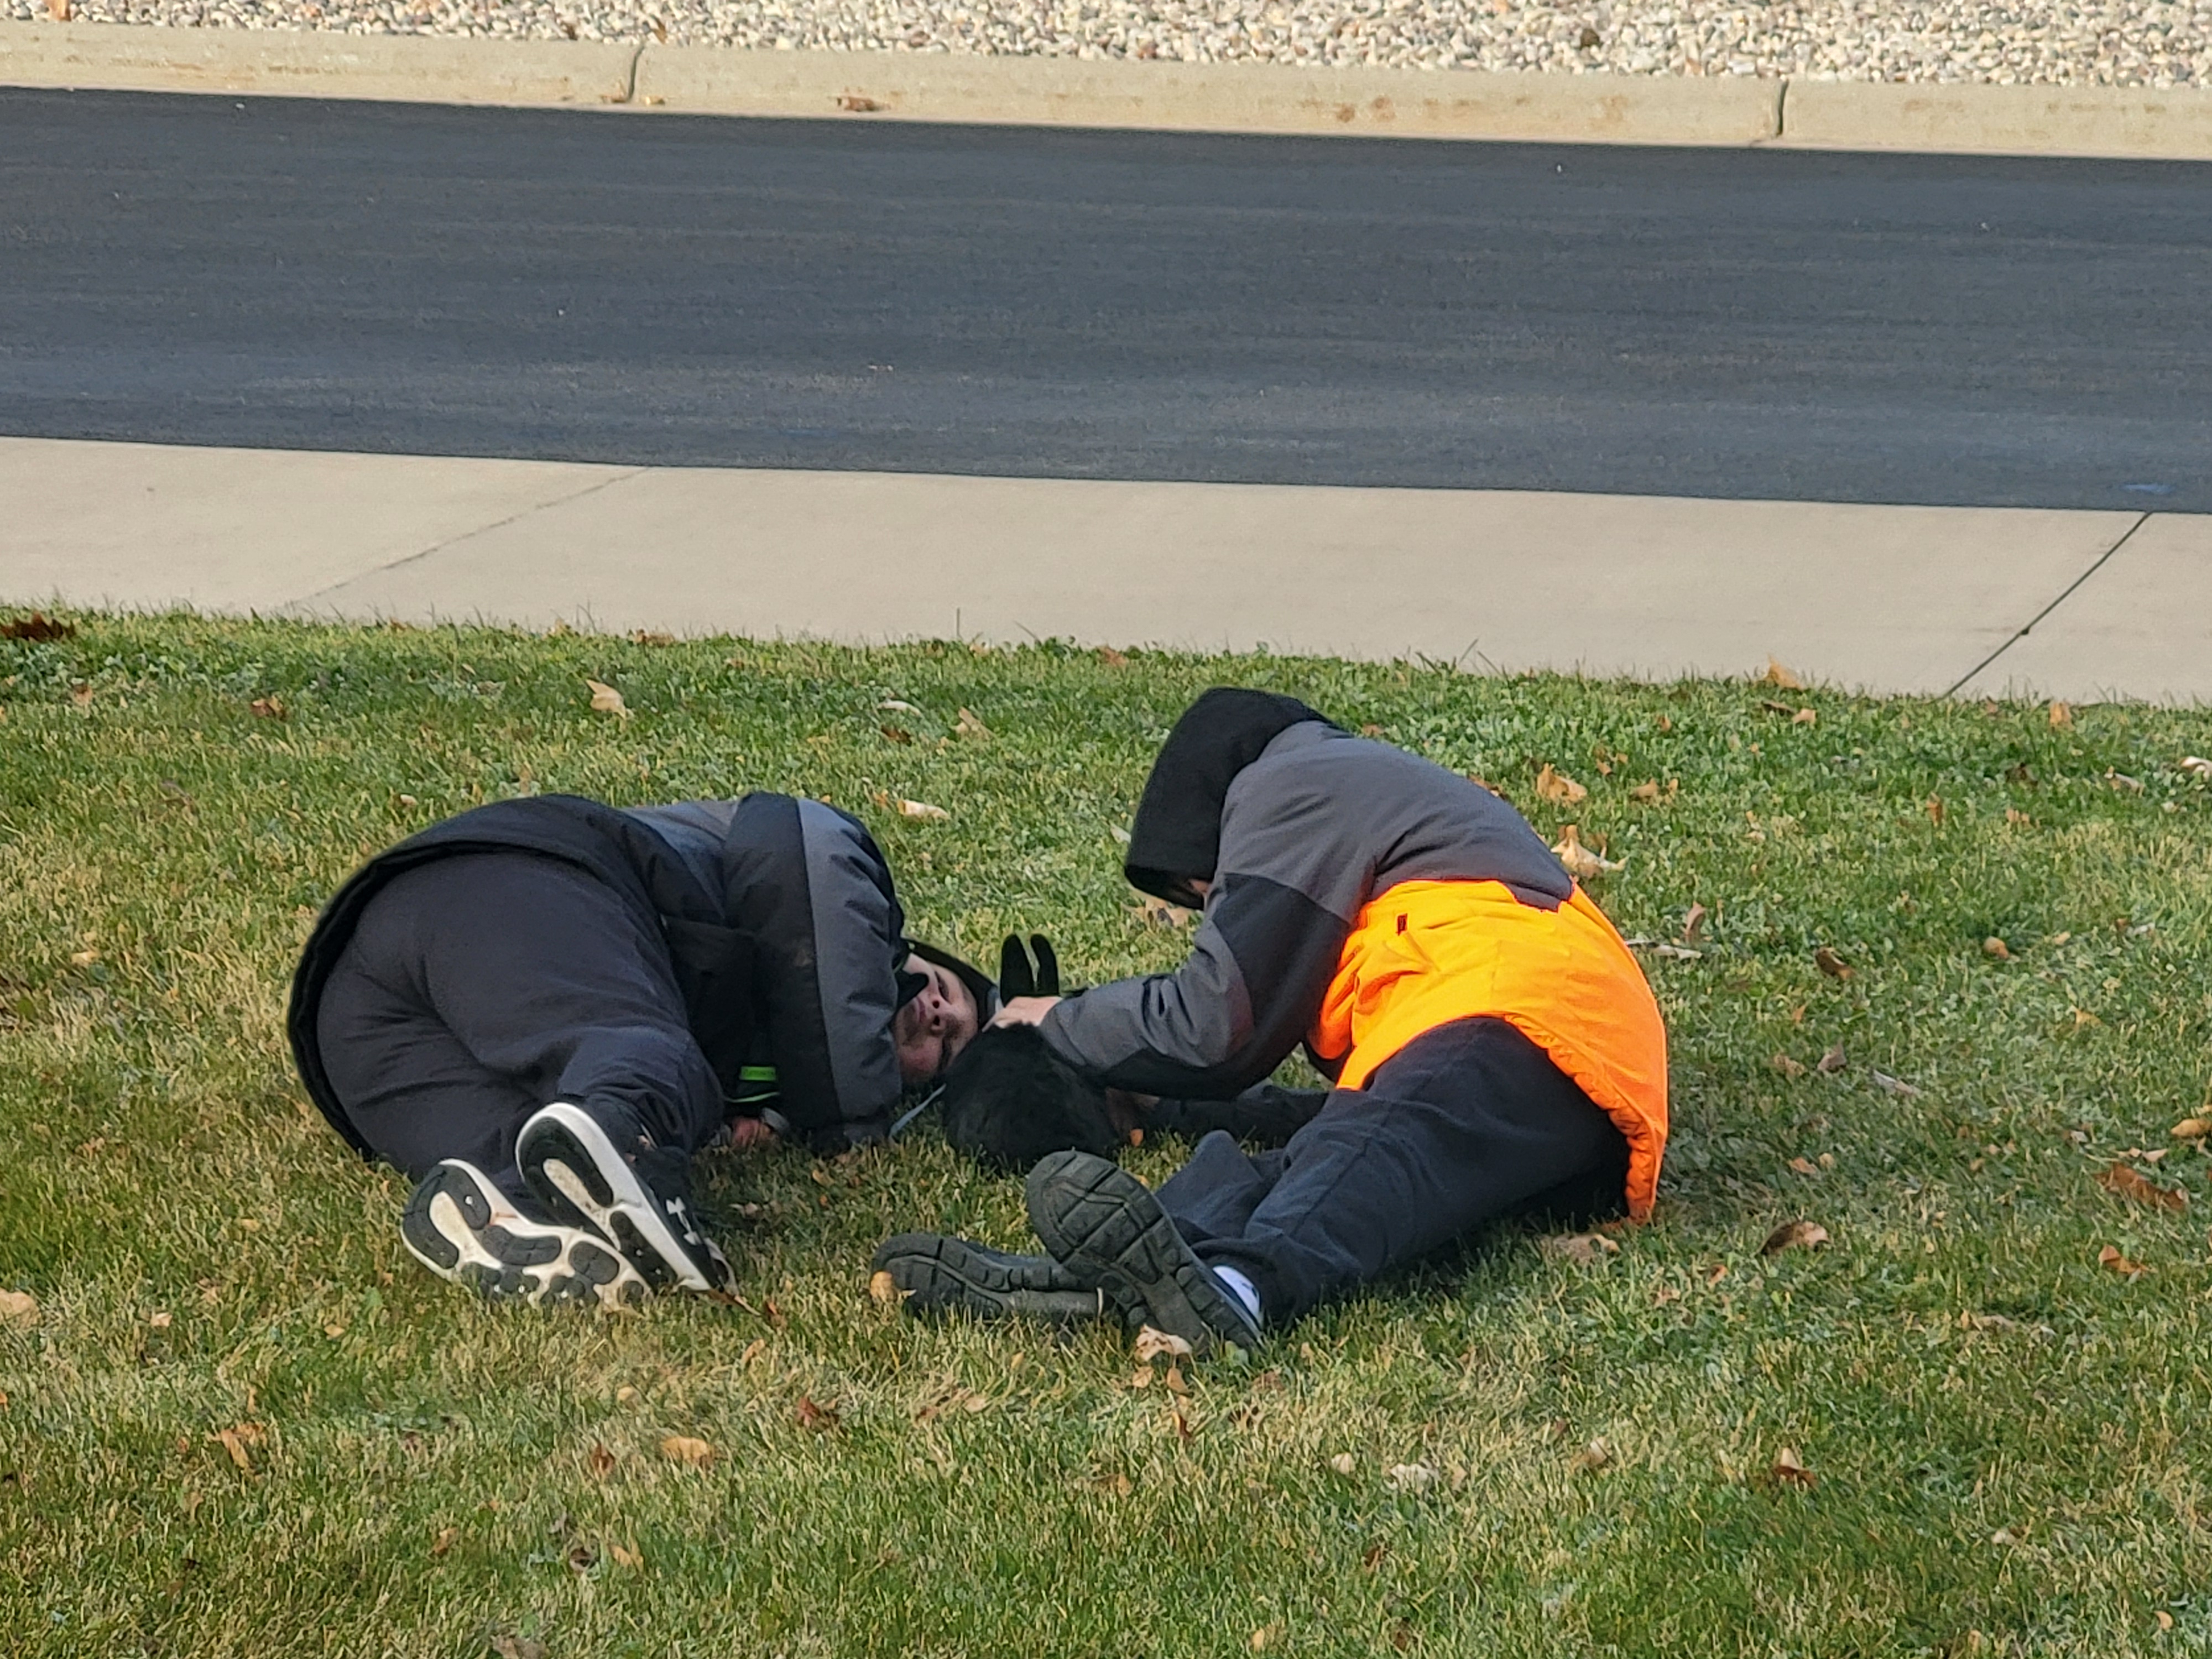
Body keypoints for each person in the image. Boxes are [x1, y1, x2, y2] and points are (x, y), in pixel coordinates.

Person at [876, 688, 1668, 1353]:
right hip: (1523, 1069)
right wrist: (1161, 1104)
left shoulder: (1289, 786)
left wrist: (1054, 1022)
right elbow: (1280, 1092)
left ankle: (1233, 1292)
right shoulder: (1354, 788)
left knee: (1363, 1148)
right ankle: (1124, 1276)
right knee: (1292, 1159)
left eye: (1207, 893)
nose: (1215, 909)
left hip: (1527, 1017)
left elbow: (1216, 1025)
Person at [289, 790, 988, 1308]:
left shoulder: (766, 1065)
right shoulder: (830, 864)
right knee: (640, 1060)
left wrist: (755, 1114)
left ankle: (507, 1220)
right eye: (942, 988)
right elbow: (799, 853)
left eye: (948, 1041)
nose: (934, 1013)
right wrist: (845, 1119)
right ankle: (633, 1152)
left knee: (534, 1150)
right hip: (506, 886)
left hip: (357, 1037)